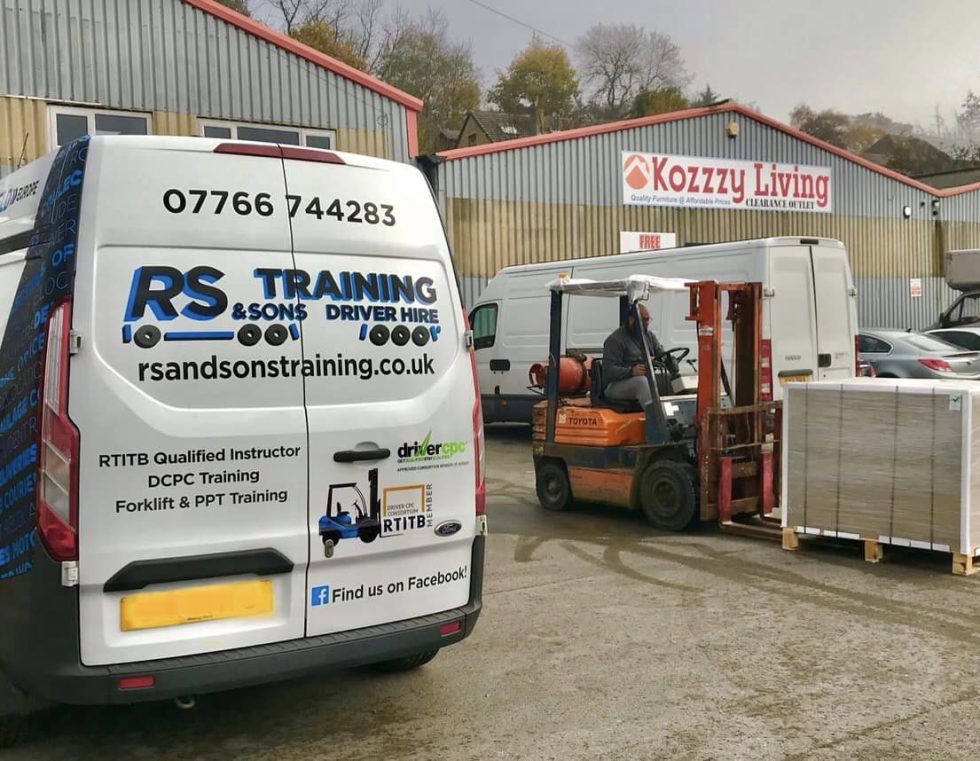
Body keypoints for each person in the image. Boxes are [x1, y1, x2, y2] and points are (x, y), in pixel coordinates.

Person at [602, 303, 665, 408]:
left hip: (644, 378)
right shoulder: (615, 340)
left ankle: (678, 414)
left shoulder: (649, 336)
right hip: (616, 384)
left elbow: (661, 354)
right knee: (641, 382)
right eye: (644, 320)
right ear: (632, 320)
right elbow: (608, 371)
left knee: (670, 379)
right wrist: (631, 371)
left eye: (648, 319)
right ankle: (656, 417)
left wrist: (670, 360)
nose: (647, 323)